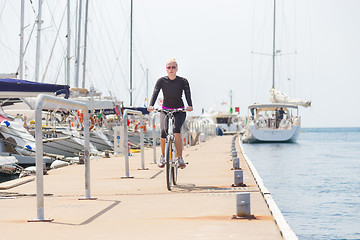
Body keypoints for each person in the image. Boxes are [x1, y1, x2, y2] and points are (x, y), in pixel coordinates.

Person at [147, 58, 193, 169]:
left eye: (173, 67)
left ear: (177, 68)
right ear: (166, 69)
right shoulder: (161, 81)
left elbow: (187, 94)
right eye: (169, 67)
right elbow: (155, 93)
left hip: (179, 110)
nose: (171, 69)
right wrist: (151, 105)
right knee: (163, 132)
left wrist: (190, 105)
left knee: (176, 130)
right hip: (165, 109)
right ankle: (163, 156)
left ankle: (180, 158)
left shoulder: (183, 81)